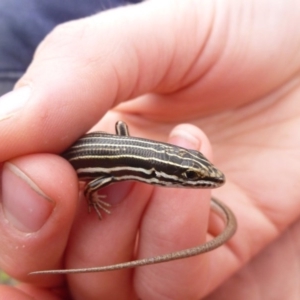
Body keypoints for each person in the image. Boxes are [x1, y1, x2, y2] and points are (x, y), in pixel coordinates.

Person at [1, 0, 300, 299]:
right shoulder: (118, 173)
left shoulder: (124, 169)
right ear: (158, 172)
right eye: (189, 175)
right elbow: (93, 187)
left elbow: (117, 142)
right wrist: (93, 200)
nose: (202, 180)